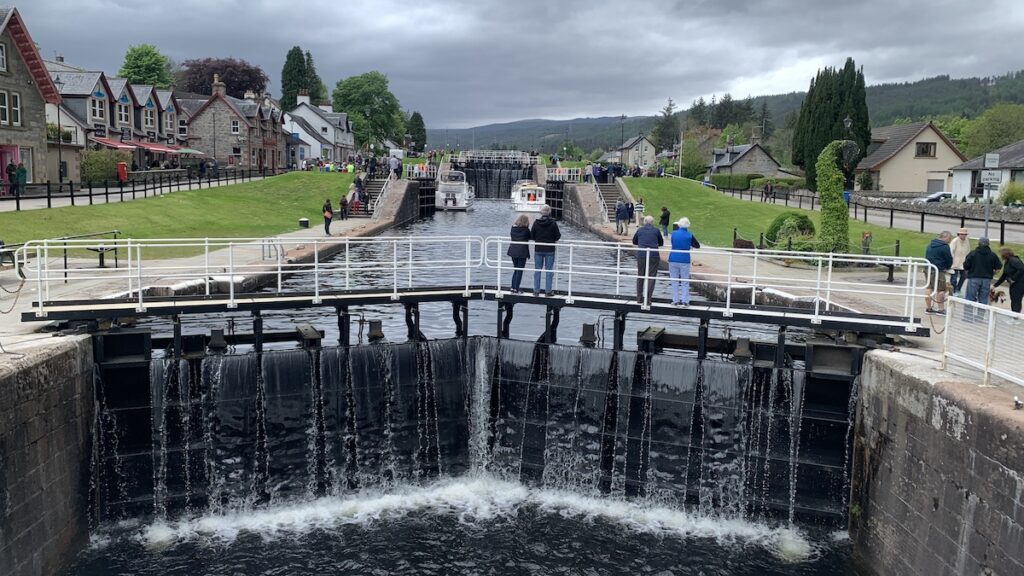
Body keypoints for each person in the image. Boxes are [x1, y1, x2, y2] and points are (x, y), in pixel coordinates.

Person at [961, 237, 1003, 316]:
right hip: (986, 279)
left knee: (970, 297)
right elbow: (998, 267)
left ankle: (968, 316)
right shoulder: (992, 255)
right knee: (983, 298)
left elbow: (966, 265)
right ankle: (980, 317)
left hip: (974, 277)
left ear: (979, 243)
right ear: (988, 244)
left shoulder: (973, 253)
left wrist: (968, 272)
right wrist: (992, 274)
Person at [669, 217, 701, 306]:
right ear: (688, 225)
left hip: (673, 258)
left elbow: (673, 243)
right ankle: (685, 301)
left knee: (674, 280)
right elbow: (697, 245)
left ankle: (675, 300)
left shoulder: (673, 234)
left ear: (679, 224)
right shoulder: (689, 235)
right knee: (685, 281)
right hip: (684, 259)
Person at [632, 215, 664, 305]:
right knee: (651, 277)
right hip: (653, 255)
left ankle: (639, 298)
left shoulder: (640, 230)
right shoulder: (656, 230)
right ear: (652, 222)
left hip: (642, 255)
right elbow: (661, 243)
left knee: (640, 275)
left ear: (644, 222)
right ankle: (648, 299)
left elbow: (634, 241)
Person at [531, 205, 561, 296]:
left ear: (541, 212)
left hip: (538, 249)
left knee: (537, 270)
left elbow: (532, 236)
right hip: (550, 250)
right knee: (549, 271)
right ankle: (548, 291)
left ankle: (536, 291)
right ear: (549, 212)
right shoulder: (553, 223)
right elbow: (558, 236)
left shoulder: (536, 223)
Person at [924, 231, 953, 315]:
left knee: (928, 288)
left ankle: (928, 308)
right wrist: (948, 267)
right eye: (949, 239)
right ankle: (941, 309)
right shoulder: (944, 247)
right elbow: (949, 259)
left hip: (928, 268)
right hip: (938, 270)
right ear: (946, 237)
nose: (950, 241)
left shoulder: (930, 244)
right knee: (941, 289)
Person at [993, 248, 1024, 313]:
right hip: (1015, 284)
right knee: (1015, 300)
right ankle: (1015, 316)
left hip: (1019, 284)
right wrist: (995, 285)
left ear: (1004, 255)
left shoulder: (1013, 260)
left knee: (1016, 301)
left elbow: (1021, 269)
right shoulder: (1008, 262)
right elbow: (1004, 275)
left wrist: (1013, 278)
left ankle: (1015, 318)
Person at [507, 214, 532, 293]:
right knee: (519, 270)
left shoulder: (513, 228)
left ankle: (512, 286)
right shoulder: (526, 230)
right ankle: (516, 288)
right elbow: (530, 237)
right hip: (522, 252)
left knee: (516, 269)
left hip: (513, 251)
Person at [949, 228, 971, 296]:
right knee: (954, 279)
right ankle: (953, 290)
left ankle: (958, 289)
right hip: (954, 263)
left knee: (964, 276)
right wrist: (951, 261)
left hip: (963, 263)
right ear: (959, 234)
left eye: (965, 234)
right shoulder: (955, 241)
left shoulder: (967, 241)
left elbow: (968, 251)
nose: (963, 236)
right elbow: (951, 251)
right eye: (962, 234)